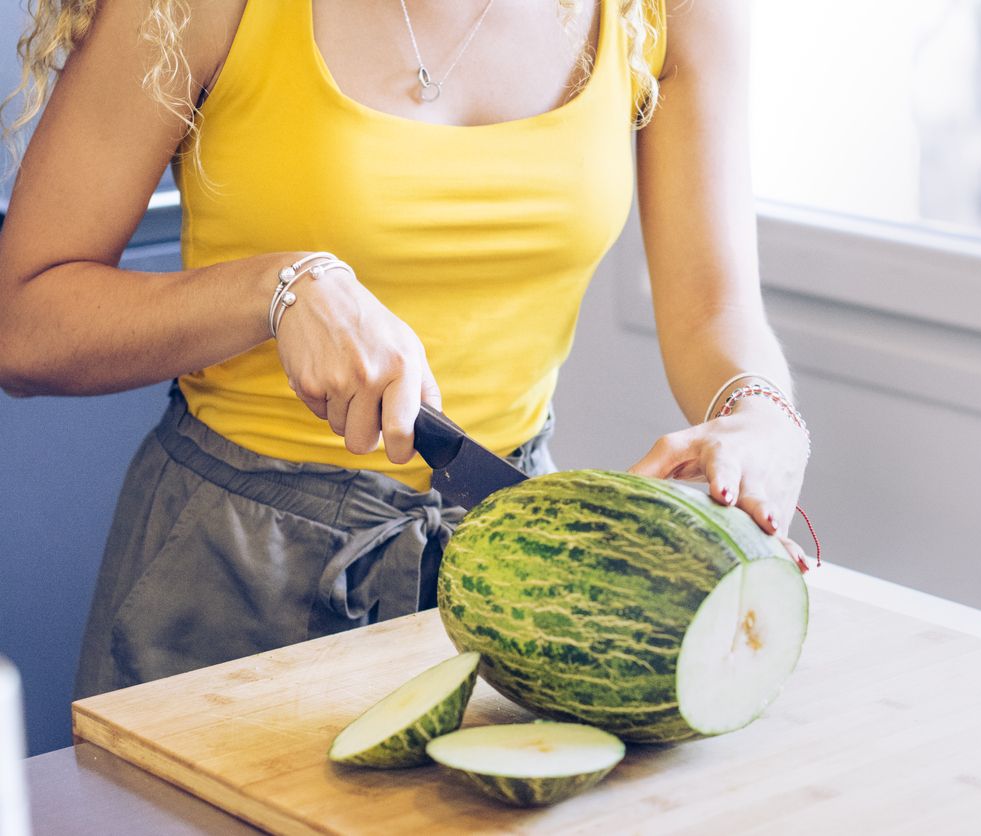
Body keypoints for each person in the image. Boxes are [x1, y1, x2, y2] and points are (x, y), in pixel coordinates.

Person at [0, 0, 812, 698]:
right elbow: (22, 321)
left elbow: (713, 308)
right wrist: (275, 288)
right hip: (226, 574)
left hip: (508, 564)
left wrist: (761, 415)